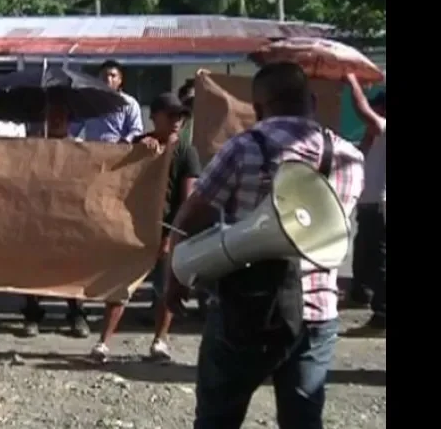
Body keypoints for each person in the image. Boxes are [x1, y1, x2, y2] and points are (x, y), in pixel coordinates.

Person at [165, 63, 364, 429]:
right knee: (303, 420)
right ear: (313, 101)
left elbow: (191, 215)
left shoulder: (243, 148)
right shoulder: (351, 157)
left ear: (256, 108)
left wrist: (176, 275)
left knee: (218, 417)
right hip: (317, 311)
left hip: (248, 308)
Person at [89, 92, 201, 363]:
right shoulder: (140, 145)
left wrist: (171, 237)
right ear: (155, 117)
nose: (177, 122)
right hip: (134, 229)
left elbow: (187, 200)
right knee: (121, 286)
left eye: (181, 117)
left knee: (165, 289)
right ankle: (104, 342)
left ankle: (160, 341)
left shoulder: (187, 151)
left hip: (167, 228)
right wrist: (140, 153)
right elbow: (116, 183)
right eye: (171, 115)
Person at [20, 101, 90, 338]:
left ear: (69, 119)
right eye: (52, 114)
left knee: (72, 266)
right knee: (32, 267)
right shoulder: (32, 146)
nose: (57, 119)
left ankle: (77, 314)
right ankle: (32, 314)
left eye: (62, 114)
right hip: (37, 214)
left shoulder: (80, 147)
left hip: (69, 216)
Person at [343, 74, 387, 336]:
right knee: (365, 253)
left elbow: (362, 111)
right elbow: (359, 154)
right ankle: (361, 294)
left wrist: (352, 81)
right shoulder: (377, 137)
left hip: (381, 205)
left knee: (380, 259)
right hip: (370, 204)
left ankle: (382, 315)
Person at [72, 60, 144, 143]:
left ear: (120, 80)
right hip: (93, 152)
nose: (108, 79)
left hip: (118, 151)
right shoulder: (88, 103)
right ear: (98, 78)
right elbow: (72, 130)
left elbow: (136, 130)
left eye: (113, 76)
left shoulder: (129, 103)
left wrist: (125, 141)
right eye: (104, 75)